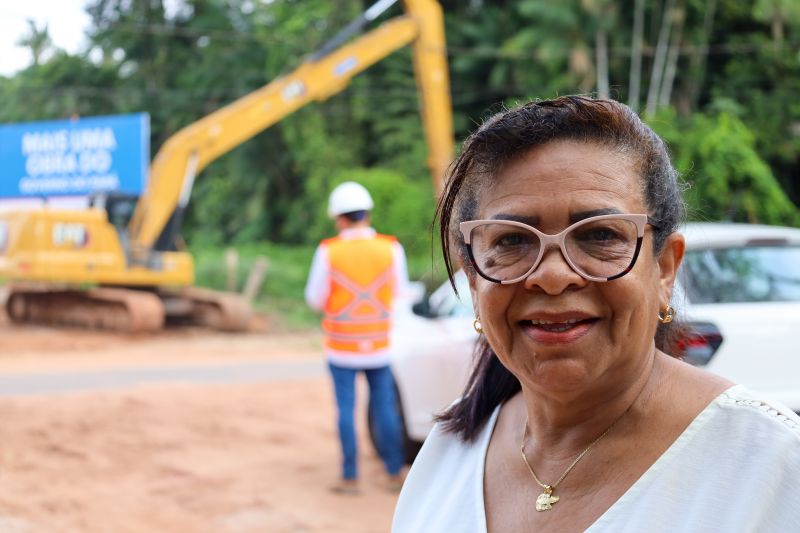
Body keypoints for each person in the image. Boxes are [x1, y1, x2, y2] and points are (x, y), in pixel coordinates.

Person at [393, 96, 800, 531]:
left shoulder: (771, 468)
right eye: (512, 241)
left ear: (664, 269)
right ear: (474, 277)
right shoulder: (449, 450)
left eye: (600, 234)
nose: (551, 277)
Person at [305, 181, 408, 495]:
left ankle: (350, 477)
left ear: (338, 217)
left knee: (346, 411)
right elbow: (400, 293)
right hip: (379, 347)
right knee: (385, 409)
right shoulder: (391, 248)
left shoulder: (329, 252)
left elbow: (314, 298)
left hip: (341, 348)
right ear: (367, 213)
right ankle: (393, 472)